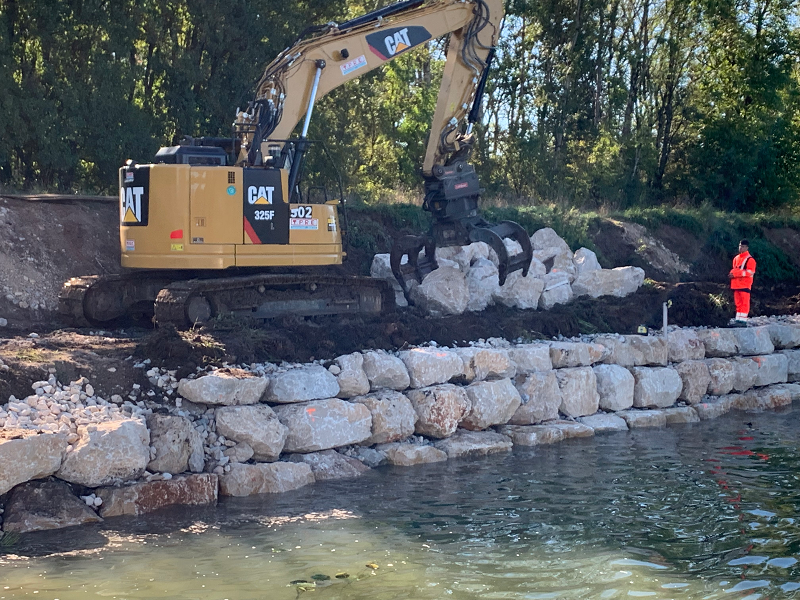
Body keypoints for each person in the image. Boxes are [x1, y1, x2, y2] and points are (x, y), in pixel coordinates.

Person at [729, 239, 756, 325]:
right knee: (738, 303)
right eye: (740, 246)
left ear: (747, 248)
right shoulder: (736, 258)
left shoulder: (750, 259)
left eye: (743, 246)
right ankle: (738, 320)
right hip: (736, 284)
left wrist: (735, 274)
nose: (741, 248)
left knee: (744, 303)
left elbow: (750, 272)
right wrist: (733, 274)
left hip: (744, 285)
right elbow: (735, 269)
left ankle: (743, 321)